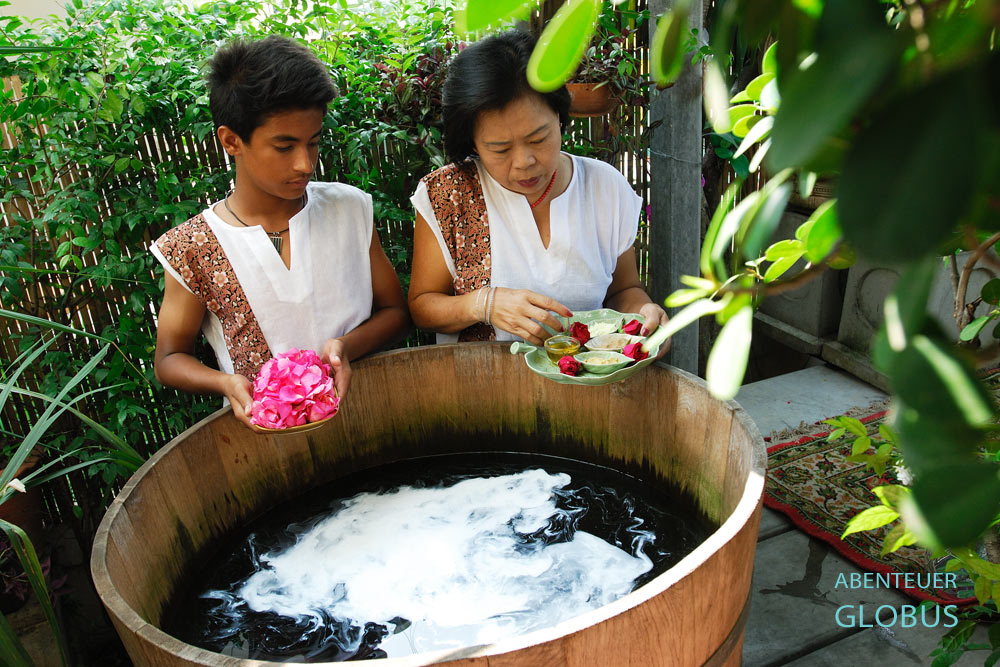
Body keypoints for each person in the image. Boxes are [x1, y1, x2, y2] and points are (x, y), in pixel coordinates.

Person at [151, 35, 409, 429]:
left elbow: (395, 311)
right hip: (269, 447)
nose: (305, 164)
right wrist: (227, 383)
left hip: (372, 423)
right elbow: (169, 359)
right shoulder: (193, 247)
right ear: (232, 141)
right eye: (285, 147)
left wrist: (343, 348)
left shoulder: (348, 208)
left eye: (314, 142)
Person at [407, 30, 669, 349]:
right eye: (500, 149)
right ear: (472, 141)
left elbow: (624, 290)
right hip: (476, 390)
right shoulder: (448, 194)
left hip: (586, 386)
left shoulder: (605, 187)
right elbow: (422, 308)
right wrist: (483, 304)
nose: (524, 162)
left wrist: (644, 316)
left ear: (559, 116)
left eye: (538, 138)